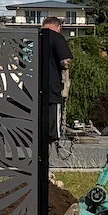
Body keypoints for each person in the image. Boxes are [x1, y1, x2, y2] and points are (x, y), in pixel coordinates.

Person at [39, 15, 72, 146]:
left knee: (35, 130)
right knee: (51, 134)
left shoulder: (29, 38)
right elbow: (65, 61)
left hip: (29, 92)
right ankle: (45, 163)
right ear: (58, 27)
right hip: (51, 91)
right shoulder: (57, 37)